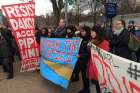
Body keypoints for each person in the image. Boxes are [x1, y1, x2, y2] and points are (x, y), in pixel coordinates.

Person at [87, 25, 109, 93]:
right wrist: (88, 47)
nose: (91, 34)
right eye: (91, 32)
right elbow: (90, 53)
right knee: (93, 84)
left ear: (98, 32)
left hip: (99, 68)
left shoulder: (104, 42)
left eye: (93, 32)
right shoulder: (93, 41)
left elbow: (104, 56)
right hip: (92, 65)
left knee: (99, 85)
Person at [72, 26, 90, 93]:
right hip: (81, 60)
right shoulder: (82, 39)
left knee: (85, 76)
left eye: (83, 31)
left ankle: (87, 89)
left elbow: (89, 53)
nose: (82, 32)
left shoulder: (89, 40)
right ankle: (85, 88)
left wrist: (80, 55)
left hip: (86, 61)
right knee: (83, 75)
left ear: (87, 31)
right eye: (81, 31)